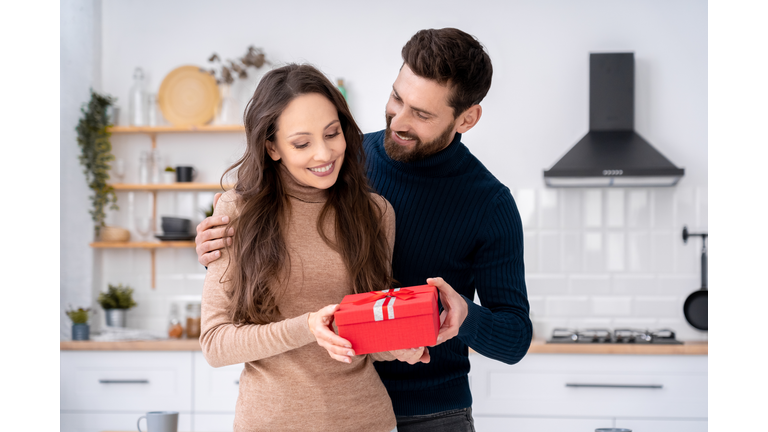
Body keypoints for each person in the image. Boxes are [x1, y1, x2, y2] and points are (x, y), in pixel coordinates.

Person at [197, 28, 532, 431]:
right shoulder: (338, 159)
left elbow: (514, 338)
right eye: (396, 98)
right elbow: (274, 259)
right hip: (324, 401)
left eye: (422, 114)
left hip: (431, 411)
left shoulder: (486, 203)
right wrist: (217, 250)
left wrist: (465, 316)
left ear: (467, 118)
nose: (400, 121)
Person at [200, 63, 426, 432]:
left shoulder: (375, 212)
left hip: (366, 420)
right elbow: (215, 344)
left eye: (332, 133)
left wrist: (403, 345)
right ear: (272, 147)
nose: (323, 154)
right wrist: (307, 327)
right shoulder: (236, 212)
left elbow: (364, 330)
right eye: (302, 143)